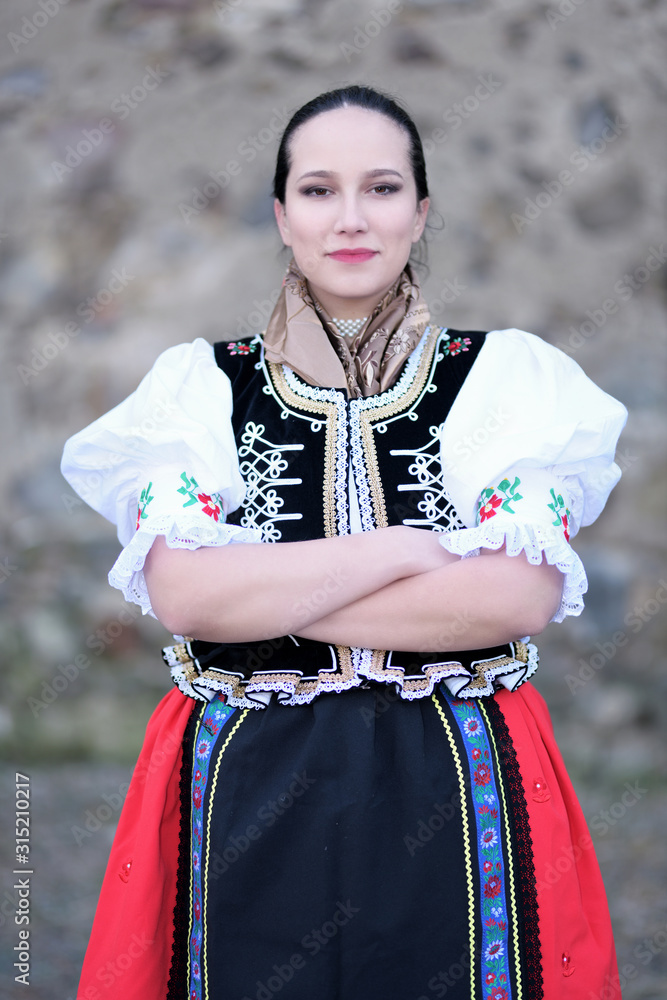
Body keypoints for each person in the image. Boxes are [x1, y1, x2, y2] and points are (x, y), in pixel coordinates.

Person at [61, 85, 628, 1000]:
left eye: (383, 187)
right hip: (250, 774)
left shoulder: (508, 381)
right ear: (282, 216)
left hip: (457, 766)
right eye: (319, 191)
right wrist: (402, 548)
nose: (352, 217)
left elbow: (513, 599)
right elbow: (189, 600)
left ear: (421, 210)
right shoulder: (199, 388)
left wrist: (267, 590)